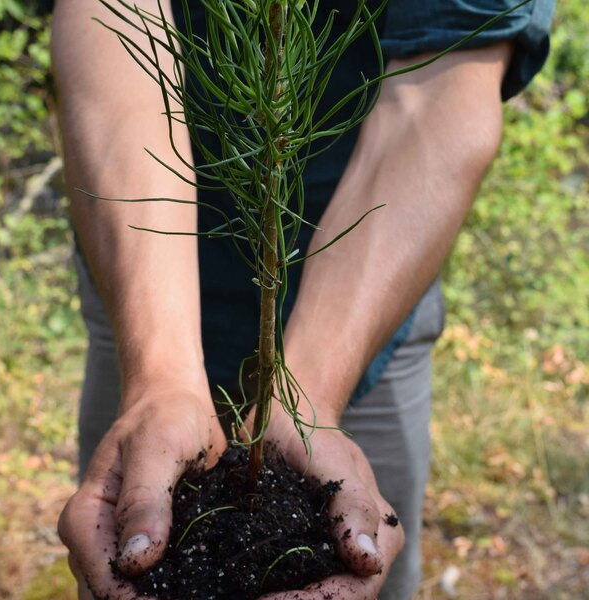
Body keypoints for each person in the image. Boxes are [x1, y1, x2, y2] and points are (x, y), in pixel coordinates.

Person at [49, 0, 554, 598]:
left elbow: (441, 85)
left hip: (371, 294)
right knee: (134, 506)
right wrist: (158, 377)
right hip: (136, 282)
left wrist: (307, 403)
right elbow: (112, 20)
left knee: (359, 542)